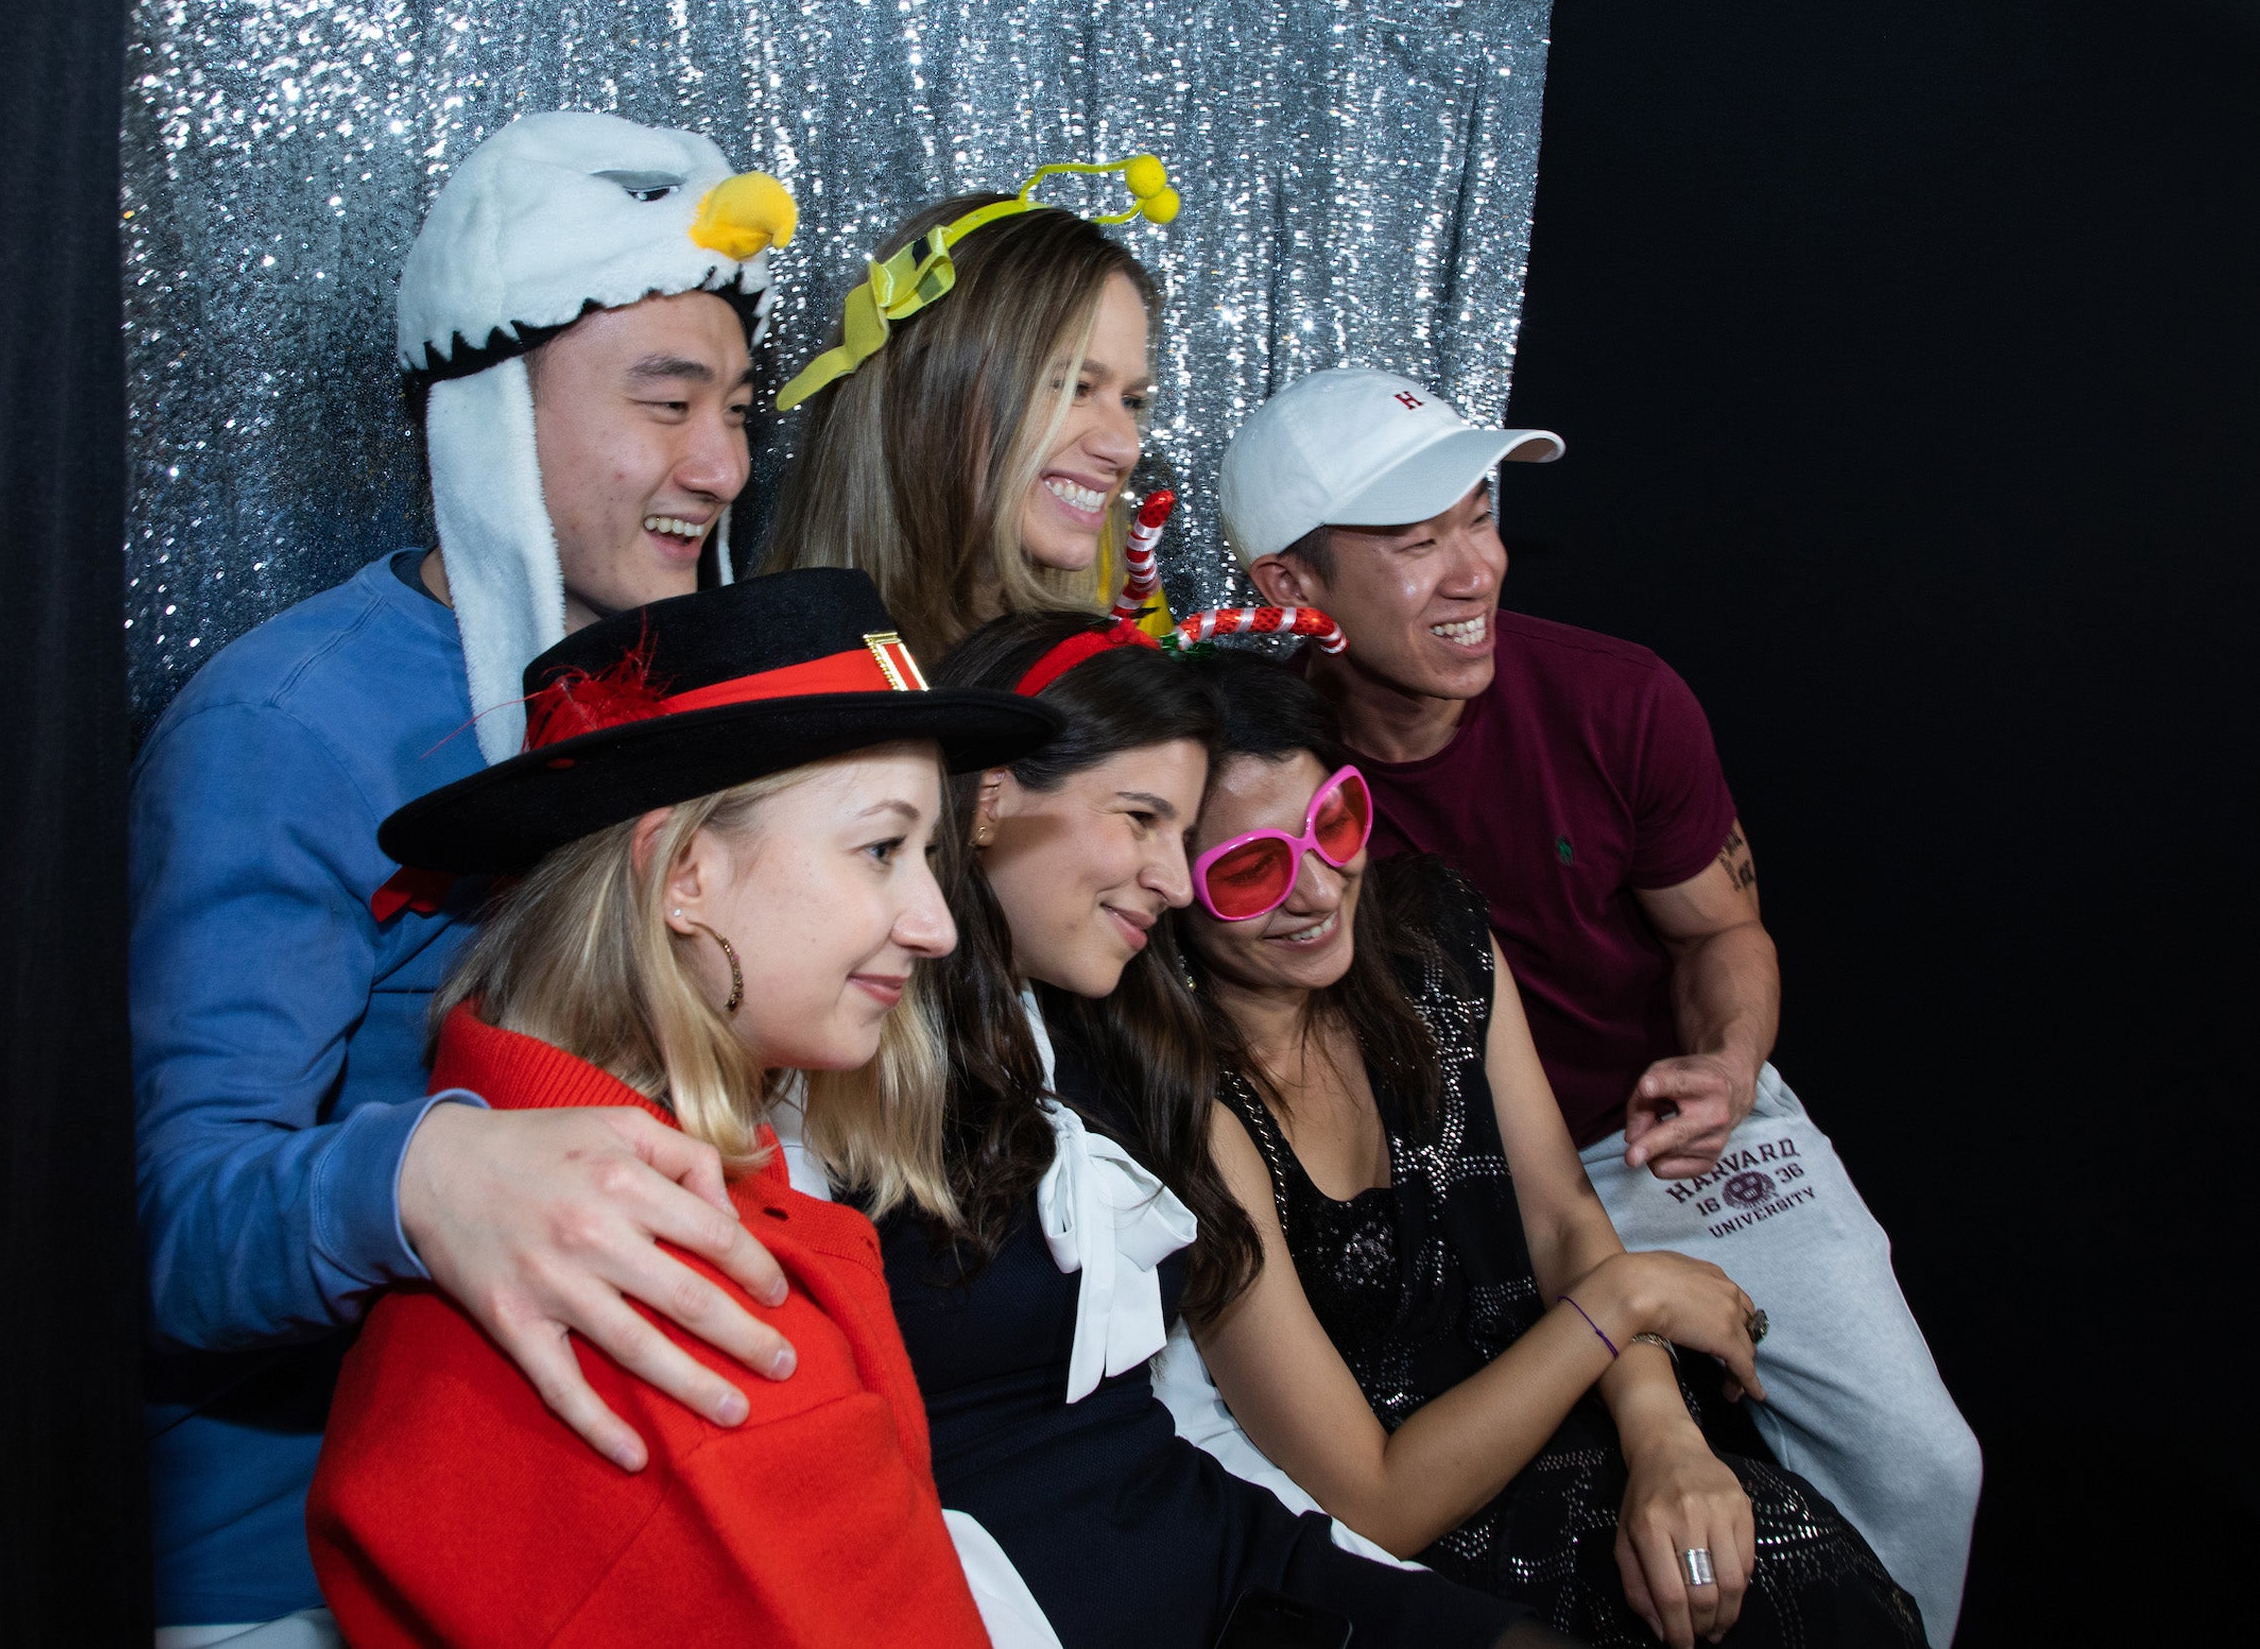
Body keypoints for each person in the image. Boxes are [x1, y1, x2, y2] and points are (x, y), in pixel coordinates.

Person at [131, 111, 808, 1641]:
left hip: (588, 1517)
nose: (721, 463)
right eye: (665, 401)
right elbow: (161, 1228)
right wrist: (426, 1178)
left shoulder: (670, 704)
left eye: (738, 408)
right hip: (297, 1572)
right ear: (490, 412)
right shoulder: (283, 731)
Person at [1219, 366, 1983, 1647]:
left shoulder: (1619, 697)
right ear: (1292, 588)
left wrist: (1729, 1064)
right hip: (1437, 1184)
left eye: (1479, 515)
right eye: (1416, 542)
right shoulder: (1254, 776)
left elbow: (1724, 930)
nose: (1476, 569)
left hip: (1655, 1136)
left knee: (1923, 1469)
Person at [306, 569, 1063, 1646]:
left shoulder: (528, 1182)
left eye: (928, 855)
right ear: (684, 875)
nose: (936, 924)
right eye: (882, 847)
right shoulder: (704, 1331)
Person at [1174, 652, 1925, 1649]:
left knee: (1797, 1570)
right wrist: (1628, 1299)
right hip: (1423, 1521)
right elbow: (1379, 1502)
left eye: (1336, 822)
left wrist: (1666, 1437)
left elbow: (1561, 1212)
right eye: (1249, 867)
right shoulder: (1190, 1114)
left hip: (1577, 1407)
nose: (1317, 887)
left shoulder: (1435, 930)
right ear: (1163, 888)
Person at [880, 610, 1557, 1649]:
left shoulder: (1109, 1046)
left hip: (1210, 1553)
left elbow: (1168, 1414)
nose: (1170, 875)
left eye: (1181, 837)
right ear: (989, 798)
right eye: (1143, 818)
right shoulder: (849, 1041)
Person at [760, 158, 1181, 655]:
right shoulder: (779, 676)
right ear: (926, 396)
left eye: (1131, 401)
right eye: (1074, 388)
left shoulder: (1124, 652)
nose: (1125, 446)